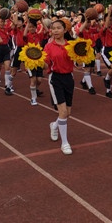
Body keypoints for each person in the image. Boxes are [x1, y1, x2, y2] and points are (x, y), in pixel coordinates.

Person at [45, 19, 76, 155]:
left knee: (67, 113)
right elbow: (45, 64)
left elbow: (78, 60)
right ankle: (65, 143)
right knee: (62, 112)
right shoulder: (48, 46)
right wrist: (36, 60)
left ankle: (54, 125)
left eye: (58, 28)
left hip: (69, 78)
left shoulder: (71, 45)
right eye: (53, 28)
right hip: (55, 78)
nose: (55, 30)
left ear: (65, 30)